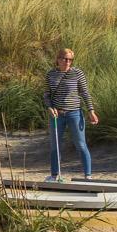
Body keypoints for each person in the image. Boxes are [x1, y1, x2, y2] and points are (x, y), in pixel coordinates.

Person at [45, 47, 98, 180]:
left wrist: (91, 111)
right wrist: (50, 107)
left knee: (80, 144)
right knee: (55, 146)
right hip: (57, 115)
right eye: (65, 59)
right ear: (58, 59)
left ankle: (88, 175)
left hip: (74, 113)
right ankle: (54, 175)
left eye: (70, 59)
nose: (67, 62)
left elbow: (85, 93)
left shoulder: (77, 73)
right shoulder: (51, 74)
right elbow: (47, 95)